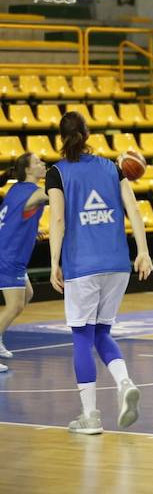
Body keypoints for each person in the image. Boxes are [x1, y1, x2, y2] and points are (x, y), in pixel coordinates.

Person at [47, 111, 153, 435]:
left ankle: (90, 416)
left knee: (82, 337)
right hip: (118, 263)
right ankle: (125, 382)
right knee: (102, 333)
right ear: (88, 134)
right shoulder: (112, 167)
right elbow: (134, 209)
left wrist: (54, 262)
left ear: (60, 137)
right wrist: (143, 252)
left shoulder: (57, 172)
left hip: (82, 266)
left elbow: (57, 220)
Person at [0, 152, 49, 367]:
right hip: (8, 256)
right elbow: (55, 192)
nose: (43, 164)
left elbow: (14, 216)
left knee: (27, 295)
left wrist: (30, 230)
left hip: (9, 252)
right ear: (28, 170)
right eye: (38, 162)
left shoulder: (16, 189)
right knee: (14, 306)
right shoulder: (34, 193)